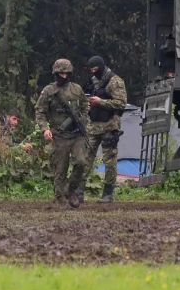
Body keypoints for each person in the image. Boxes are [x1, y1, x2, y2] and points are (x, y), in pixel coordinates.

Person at [34, 58, 90, 208]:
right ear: (55, 73)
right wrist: (45, 128)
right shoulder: (48, 91)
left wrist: (82, 120)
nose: (64, 76)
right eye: (61, 73)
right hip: (59, 135)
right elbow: (40, 111)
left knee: (81, 162)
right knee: (60, 168)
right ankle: (60, 197)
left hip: (77, 133)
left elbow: (85, 106)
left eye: (66, 73)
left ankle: (71, 191)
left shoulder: (77, 89)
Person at [83, 55, 127, 203]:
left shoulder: (115, 81)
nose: (94, 72)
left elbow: (121, 103)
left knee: (109, 160)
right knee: (85, 157)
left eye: (96, 69)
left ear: (101, 66)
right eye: (91, 70)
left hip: (109, 125)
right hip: (93, 125)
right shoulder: (92, 81)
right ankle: (78, 191)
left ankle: (108, 193)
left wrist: (101, 102)